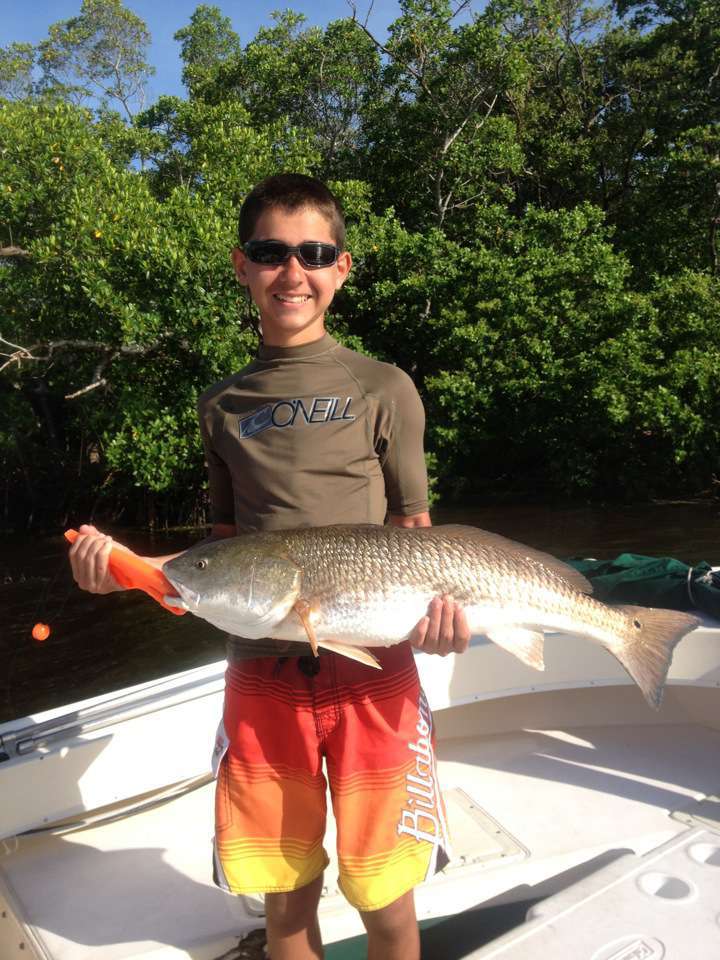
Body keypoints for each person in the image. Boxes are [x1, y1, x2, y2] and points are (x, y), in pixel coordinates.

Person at [69, 173, 471, 960]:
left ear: (341, 268)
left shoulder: (385, 388)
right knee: (286, 900)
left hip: (376, 680)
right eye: (271, 252)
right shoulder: (220, 404)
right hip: (262, 680)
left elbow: (419, 539)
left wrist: (441, 624)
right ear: (242, 266)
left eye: (314, 253)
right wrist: (121, 568)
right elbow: (223, 556)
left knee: (385, 897)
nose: (294, 272)